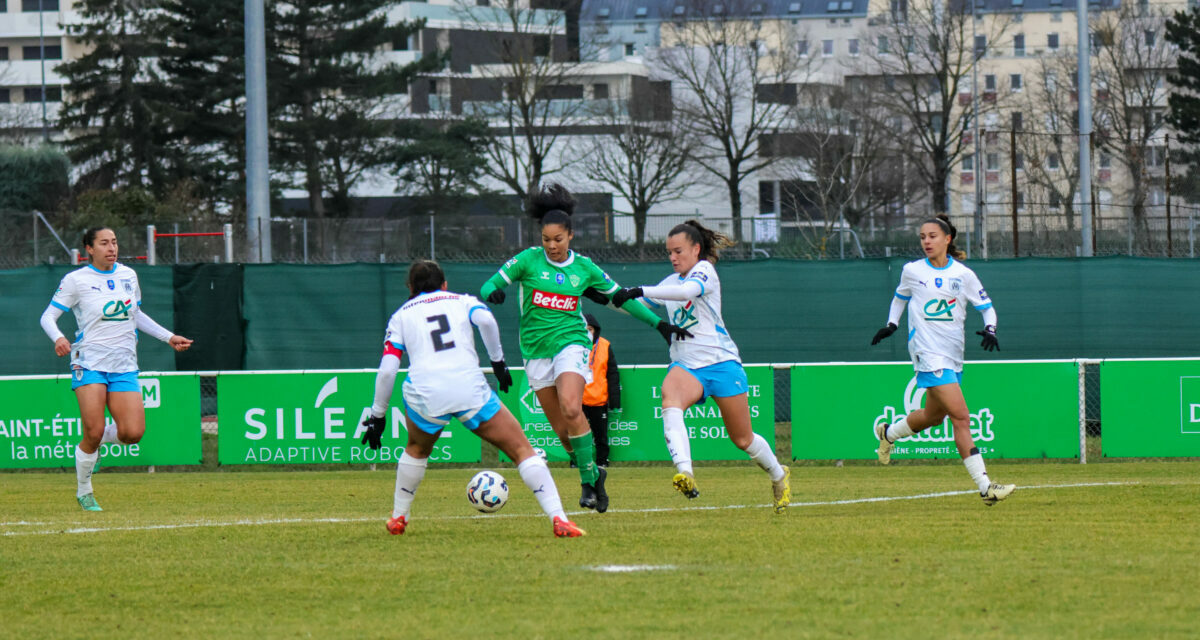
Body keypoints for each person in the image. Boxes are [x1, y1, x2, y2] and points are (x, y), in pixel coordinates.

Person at [480, 183, 690, 514]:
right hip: (535, 352)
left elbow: (619, 297)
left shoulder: (584, 268)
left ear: (571, 236)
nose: (551, 246)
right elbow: (489, 283)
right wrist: (493, 292)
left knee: (571, 407)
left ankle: (587, 486)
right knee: (565, 438)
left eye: (558, 240)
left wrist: (658, 324)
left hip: (572, 342)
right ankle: (594, 474)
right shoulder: (528, 261)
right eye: (546, 239)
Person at [361, 260, 585, 538]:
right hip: (468, 387)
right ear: (444, 284)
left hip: (425, 393)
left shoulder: (400, 316)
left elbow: (387, 371)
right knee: (521, 450)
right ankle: (559, 519)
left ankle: (398, 517)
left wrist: (378, 415)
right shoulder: (462, 301)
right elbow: (487, 320)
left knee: (417, 449)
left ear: (410, 287)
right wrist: (498, 362)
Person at [610, 220, 792, 514]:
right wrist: (603, 294)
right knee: (670, 398)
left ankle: (779, 475)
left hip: (722, 364)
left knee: (742, 439)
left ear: (696, 249)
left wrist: (637, 289)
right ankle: (685, 473)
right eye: (669, 252)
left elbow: (686, 293)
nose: (673, 257)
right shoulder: (669, 283)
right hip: (687, 366)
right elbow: (627, 303)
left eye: (678, 251)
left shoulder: (704, 271)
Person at [39, 227, 193, 512]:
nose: (111, 248)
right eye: (104, 243)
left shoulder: (128, 276)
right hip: (89, 362)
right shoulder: (76, 280)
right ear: (89, 249)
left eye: (114, 242)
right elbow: (48, 317)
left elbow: (136, 315)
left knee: (133, 433)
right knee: (93, 431)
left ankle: (97, 447)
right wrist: (59, 338)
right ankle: (85, 491)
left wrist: (168, 337)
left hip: (123, 365)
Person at [869, 214, 1015, 506]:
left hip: (952, 354)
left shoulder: (963, 275)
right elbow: (900, 297)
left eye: (932, 236)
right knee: (961, 417)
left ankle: (887, 433)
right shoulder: (912, 270)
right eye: (923, 236)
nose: (926, 241)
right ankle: (986, 487)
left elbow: (987, 308)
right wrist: (892, 324)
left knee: (933, 417)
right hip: (926, 352)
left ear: (947, 239)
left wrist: (991, 329)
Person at [582, 313, 620, 467]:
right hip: (578, 400)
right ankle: (578, 461)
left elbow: (612, 374)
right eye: (584, 329)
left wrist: (615, 400)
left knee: (601, 436)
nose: (587, 332)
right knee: (578, 435)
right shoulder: (572, 346)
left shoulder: (605, 345)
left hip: (599, 399)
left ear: (595, 330)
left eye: (590, 329)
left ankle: (602, 461)